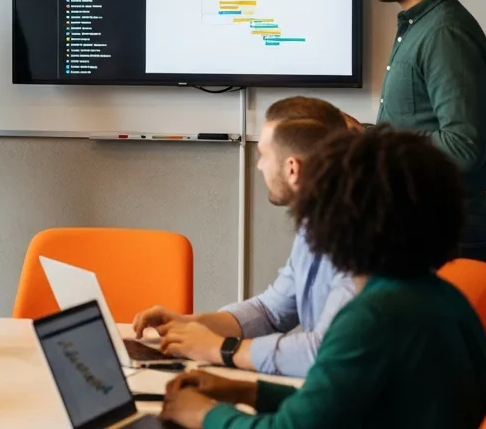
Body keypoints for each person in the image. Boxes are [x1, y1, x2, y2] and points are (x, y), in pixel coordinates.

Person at [159, 128, 486, 429]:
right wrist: (245, 389)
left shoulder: (372, 317)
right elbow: (335, 399)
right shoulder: (445, 298)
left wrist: (203, 414)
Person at [131, 97, 356, 377]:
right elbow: (270, 312)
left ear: (292, 169)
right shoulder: (313, 225)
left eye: (263, 155)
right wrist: (191, 326)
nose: (259, 166)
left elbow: (324, 352)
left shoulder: (361, 239)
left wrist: (220, 349)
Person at [357, 0, 486, 262]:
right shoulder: (419, 27)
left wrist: (379, 145)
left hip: (442, 238)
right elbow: (419, 127)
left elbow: (464, 146)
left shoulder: (444, 34)